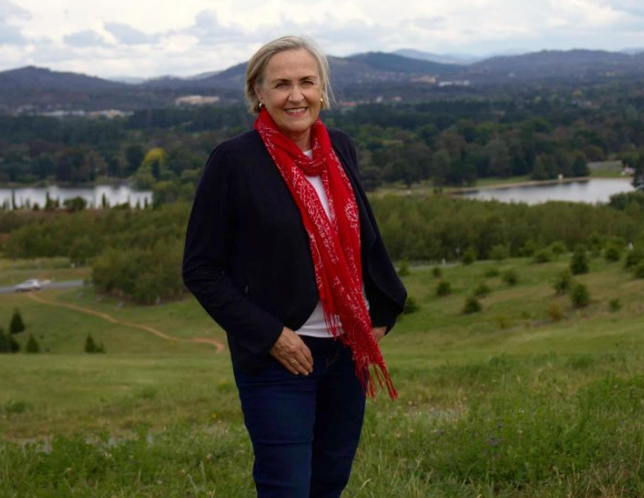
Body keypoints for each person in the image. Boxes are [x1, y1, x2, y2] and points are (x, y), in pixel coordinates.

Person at [182, 35, 407, 498]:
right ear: (258, 93)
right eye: (281, 84)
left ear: (322, 88)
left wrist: (381, 311)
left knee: (329, 481)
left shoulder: (340, 148)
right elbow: (201, 268)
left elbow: (364, 238)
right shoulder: (234, 161)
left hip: (347, 352)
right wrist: (270, 336)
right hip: (280, 359)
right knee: (286, 486)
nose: (296, 95)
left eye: (307, 81)